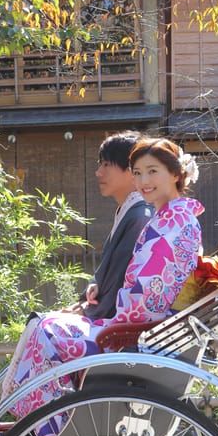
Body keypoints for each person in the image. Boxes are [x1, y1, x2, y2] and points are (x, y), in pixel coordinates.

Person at [0, 137, 203, 436]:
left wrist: (114, 322)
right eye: (138, 173)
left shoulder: (170, 223)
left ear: (175, 174)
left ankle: (43, 428)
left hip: (135, 334)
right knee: (46, 325)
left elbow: (147, 295)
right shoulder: (171, 218)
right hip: (140, 326)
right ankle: (41, 423)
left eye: (152, 171)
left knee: (46, 330)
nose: (143, 181)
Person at [65, 130, 153, 319]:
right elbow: (109, 274)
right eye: (100, 165)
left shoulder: (140, 216)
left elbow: (122, 278)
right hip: (108, 312)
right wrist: (92, 291)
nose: (98, 173)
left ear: (131, 170)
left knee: (42, 328)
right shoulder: (132, 211)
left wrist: (87, 310)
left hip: (119, 322)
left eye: (106, 164)